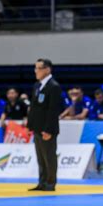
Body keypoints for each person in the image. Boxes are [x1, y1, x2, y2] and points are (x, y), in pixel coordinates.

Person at [27, 59, 62, 192]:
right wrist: (30, 126)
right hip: (37, 128)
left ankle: (50, 183)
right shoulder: (37, 86)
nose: (36, 71)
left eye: (39, 68)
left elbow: (53, 111)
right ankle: (42, 182)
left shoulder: (54, 86)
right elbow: (34, 107)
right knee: (41, 158)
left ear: (47, 69)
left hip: (48, 130)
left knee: (49, 157)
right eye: (35, 68)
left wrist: (48, 130)